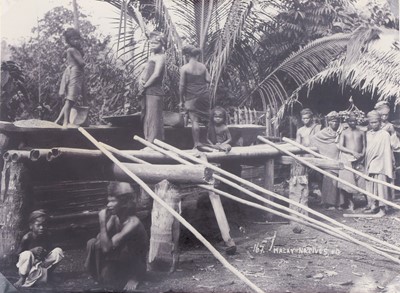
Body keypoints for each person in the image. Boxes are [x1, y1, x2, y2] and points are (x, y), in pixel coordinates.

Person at [85, 182, 149, 292]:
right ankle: (102, 275)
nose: (108, 205)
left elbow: (106, 248)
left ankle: (135, 278)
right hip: (121, 258)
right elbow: (100, 240)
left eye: (113, 201)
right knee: (92, 242)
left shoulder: (133, 222)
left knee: (111, 280)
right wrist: (104, 227)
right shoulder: (115, 217)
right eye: (108, 201)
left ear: (124, 203)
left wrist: (102, 222)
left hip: (136, 264)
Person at [14, 210, 64, 288]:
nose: (42, 228)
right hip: (29, 267)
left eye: (44, 225)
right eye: (38, 225)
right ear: (31, 226)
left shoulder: (47, 235)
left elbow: (50, 250)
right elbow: (18, 255)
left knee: (58, 251)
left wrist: (45, 252)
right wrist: (32, 251)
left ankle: (49, 274)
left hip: (42, 264)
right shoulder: (27, 238)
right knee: (26, 254)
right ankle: (23, 278)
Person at [179, 45, 211, 148]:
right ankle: (208, 141)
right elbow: (208, 80)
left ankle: (197, 143)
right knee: (207, 119)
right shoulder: (203, 66)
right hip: (204, 95)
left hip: (191, 97)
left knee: (195, 120)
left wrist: (181, 100)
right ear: (197, 55)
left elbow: (182, 86)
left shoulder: (184, 68)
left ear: (187, 56)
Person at [55, 28, 87, 128]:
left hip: (79, 74)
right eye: (73, 39)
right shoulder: (71, 50)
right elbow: (82, 63)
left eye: (77, 39)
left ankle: (58, 120)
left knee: (78, 97)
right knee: (70, 99)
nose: (76, 41)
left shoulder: (76, 50)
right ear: (69, 40)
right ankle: (65, 122)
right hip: (74, 73)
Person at [139, 31, 166, 143]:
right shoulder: (152, 57)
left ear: (162, 43)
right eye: (151, 43)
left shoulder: (161, 57)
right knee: (148, 117)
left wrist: (145, 85)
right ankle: (148, 140)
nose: (153, 45)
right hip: (148, 90)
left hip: (154, 90)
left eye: (156, 43)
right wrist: (140, 79)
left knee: (154, 117)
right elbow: (144, 70)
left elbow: (156, 74)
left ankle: (152, 142)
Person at [364, 110, 394, 216]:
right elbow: (367, 149)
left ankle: (383, 209)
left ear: (380, 122)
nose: (373, 125)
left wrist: (387, 165)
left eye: (375, 122)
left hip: (381, 163)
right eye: (371, 123)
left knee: (381, 186)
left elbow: (387, 151)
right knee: (372, 185)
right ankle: (374, 205)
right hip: (370, 162)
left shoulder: (384, 134)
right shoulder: (367, 134)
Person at [311, 111, 343, 209]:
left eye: (337, 121)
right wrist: (322, 154)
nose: (335, 123)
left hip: (341, 159)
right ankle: (330, 203)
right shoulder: (324, 133)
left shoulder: (342, 131)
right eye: (332, 121)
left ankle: (340, 203)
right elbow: (314, 140)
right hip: (329, 160)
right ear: (329, 122)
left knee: (340, 182)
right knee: (330, 182)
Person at [337, 112, 366, 211]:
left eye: (354, 121)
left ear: (357, 121)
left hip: (359, 159)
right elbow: (340, 146)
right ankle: (351, 203)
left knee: (363, 179)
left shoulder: (361, 132)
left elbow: (364, 145)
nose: (353, 123)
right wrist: (353, 152)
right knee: (348, 181)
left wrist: (362, 154)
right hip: (347, 158)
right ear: (347, 122)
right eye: (351, 121)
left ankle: (369, 202)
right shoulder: (344, 133)